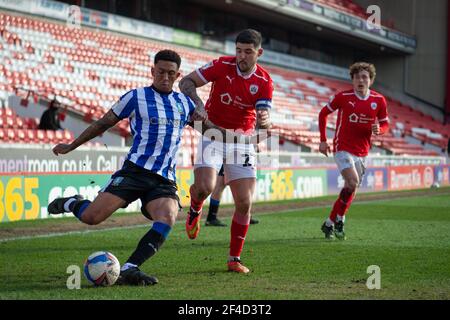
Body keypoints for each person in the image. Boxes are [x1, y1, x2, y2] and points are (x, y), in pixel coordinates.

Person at [46, 50, 233, 286]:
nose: (165, 77)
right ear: (152, 71)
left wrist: (241, 140)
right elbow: (104, 122)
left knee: (167, 216)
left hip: (163, 179)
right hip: (134, 172)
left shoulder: (184, 104)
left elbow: (210, 130)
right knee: (92, 217)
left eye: (171, 74)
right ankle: (72, 202)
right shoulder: (135, 97)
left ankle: (130, 268)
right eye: (161, 72)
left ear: (177, 76)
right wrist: (72, 145)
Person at [179, 29, 273, 273]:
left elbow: (264, 122)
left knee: (244, 202)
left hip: (241, 141)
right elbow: (185, 81)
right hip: (212, 132)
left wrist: (265, 121)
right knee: (206, 187)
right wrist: (198, 104)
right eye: (238, 50)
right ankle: (196, 206)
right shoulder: (221, 65)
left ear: (258, 53)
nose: (242, 56)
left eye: (248, 52)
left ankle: (234, 259)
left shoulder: (264, 81)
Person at [318, 62, 389, 240]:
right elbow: (323, 114)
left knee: (352, 187)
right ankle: (339, 219)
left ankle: (330, 222)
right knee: (352, 181)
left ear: (371, 80)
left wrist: (380, 129)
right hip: (343, 147)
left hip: (363, 150)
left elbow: (385, 123)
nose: (360, 80)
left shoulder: (379, 100)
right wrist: (322, 140)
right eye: (357, 77)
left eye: (364, 77)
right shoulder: (343, 97)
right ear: (352, 80)